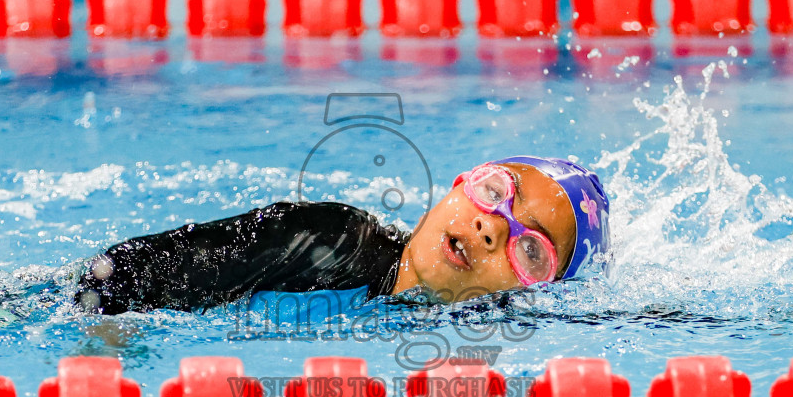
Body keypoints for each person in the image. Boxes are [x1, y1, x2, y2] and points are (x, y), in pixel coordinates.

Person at [74, 156, 609, 313]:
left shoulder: (479, 341)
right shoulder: (332, 241)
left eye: (531, 250)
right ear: (457, 184)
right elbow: (121, 276)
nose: (492, 228)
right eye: (495, 193)